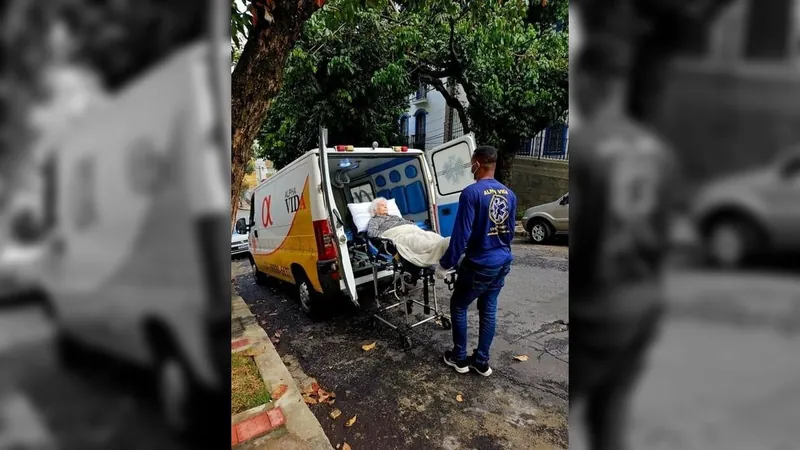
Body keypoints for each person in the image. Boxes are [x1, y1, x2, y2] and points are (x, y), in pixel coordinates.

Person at [569, 28, 677, 450]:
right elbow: (664, 237)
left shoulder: (585, 149)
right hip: (644, 302)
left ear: (592, 81)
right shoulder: (659, 150)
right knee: (610, 414)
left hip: (598, 311)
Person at [437, 146, 516, 377]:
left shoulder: (471, 193)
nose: (471, 168)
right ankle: (481, 361)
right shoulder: (509, 194)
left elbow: (461, 234)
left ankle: (459, 358)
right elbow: (509, 232)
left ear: (477, 164)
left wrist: (446, 263)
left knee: (459, 305)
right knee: (489, 308)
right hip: (502, 261)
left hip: (480, 263)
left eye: (471, 163)